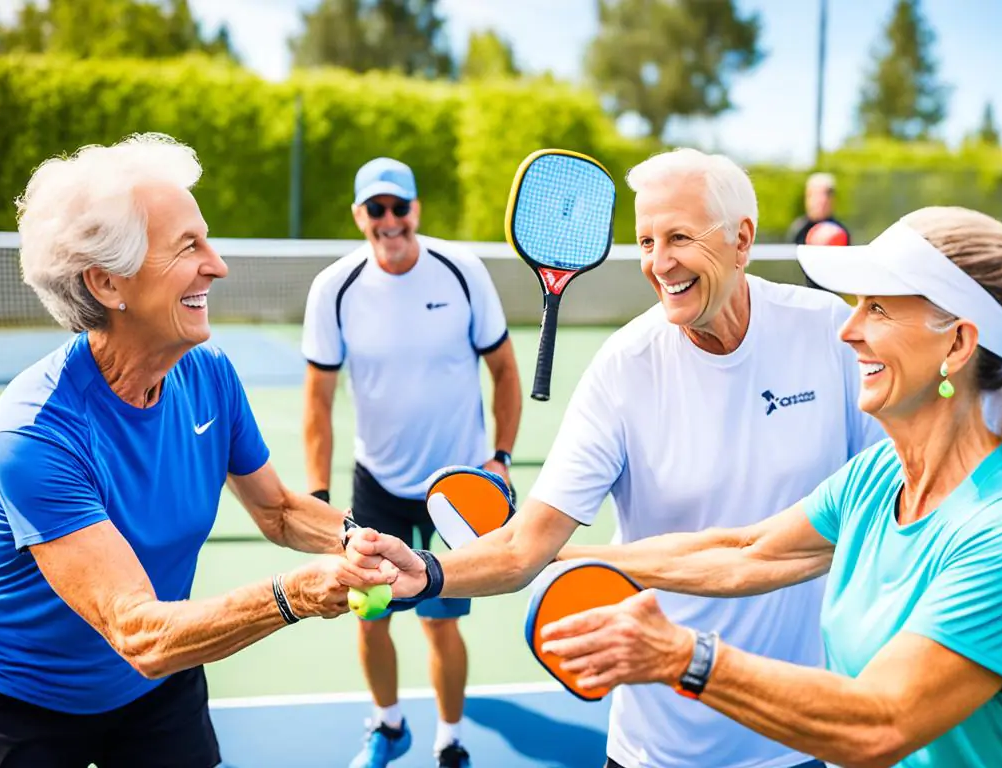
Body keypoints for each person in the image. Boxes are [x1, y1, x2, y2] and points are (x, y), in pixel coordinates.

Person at [364, 206, 1002, 767]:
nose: (848, 333)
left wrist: (684, 657)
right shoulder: (877, 479)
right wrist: (474, 566)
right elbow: (741, 552)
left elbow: (880, 722)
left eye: (876, 308)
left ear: (959, 343)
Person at [347, 147, 884, 768]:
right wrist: (429, 572)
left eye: (679, 236)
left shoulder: (831, 333)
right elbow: (527, 546)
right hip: (656, 748)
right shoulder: (623, 368)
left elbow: (867, 524)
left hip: (805, 739)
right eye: (646, 241)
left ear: (742, 240)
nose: (660, 263)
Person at [0, 133, 369, 768]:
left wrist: (363, 541)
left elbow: (280, 511)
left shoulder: (209, 374)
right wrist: (294, 596)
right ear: (107, 284)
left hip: (156, 683)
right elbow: (137, 630)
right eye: (187, 247)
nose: (217, 265)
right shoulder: (35, 429)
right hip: (22, 701)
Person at [301, 156, 522, 768]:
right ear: (360, 216)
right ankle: (389, 724)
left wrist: (499, 459)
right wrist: (319, 500)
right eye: (377, 209)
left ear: (416, 210)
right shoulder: (335, 288)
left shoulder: (462, 272)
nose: (390, 220)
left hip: (456, 492)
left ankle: (450, 740)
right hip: (376, 486)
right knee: (370, 617)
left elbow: (504, 370)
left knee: (440, 624)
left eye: (400, 207)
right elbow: (317, 399)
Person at [786, 172, 850, 247]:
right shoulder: (798, 229)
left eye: (826, 194)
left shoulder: (839, 230)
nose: (821, 200)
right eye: (816, 195)